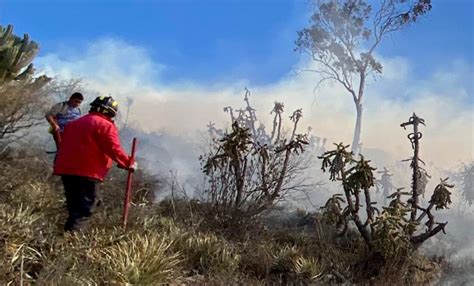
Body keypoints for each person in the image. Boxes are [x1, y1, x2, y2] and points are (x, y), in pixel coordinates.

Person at [54, 96, 137, 232]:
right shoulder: (105, 125)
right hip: (88, 173)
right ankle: (71, 243)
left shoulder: (74, 123)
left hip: (66, 171)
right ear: (110, 112)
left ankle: (65, 238)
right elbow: (113, 148)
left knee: (74, 207)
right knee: (84, 210)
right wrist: (129, 163)